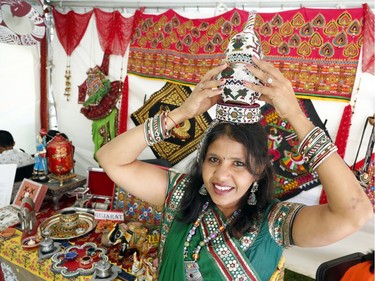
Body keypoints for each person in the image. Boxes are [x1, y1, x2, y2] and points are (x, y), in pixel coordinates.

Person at [96, 57, 373, 280]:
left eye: (238, 163)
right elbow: (110, 159)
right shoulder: (180, 194)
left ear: (259, 170)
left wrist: (295, 117)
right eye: (214, 159)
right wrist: (181, 113)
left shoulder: (273, 222)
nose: (221, 175)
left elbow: (355, 212)